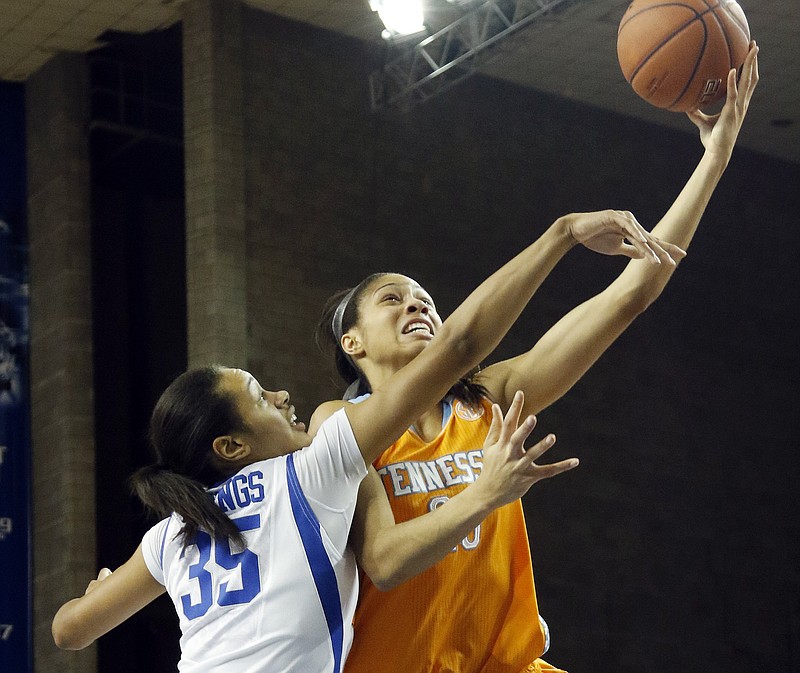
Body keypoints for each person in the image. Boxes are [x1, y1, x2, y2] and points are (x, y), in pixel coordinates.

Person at [50, 202, 674, 672]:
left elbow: (68, 631)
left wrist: (100, 591)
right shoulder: (319, 459)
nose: (281, 394)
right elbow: (387, 557)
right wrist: (562, 231)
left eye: (424, 297)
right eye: (260, 393)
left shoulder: (174, 532)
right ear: (231, 446)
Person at [311, 44, 759, 673]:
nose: (419, 307)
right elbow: (384, 563)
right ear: (350, 342)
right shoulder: (340, 424)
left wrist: (714, 160)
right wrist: (485, 493)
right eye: (393, 299)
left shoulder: (484, 399)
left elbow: (634, 290)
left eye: (428, 301)